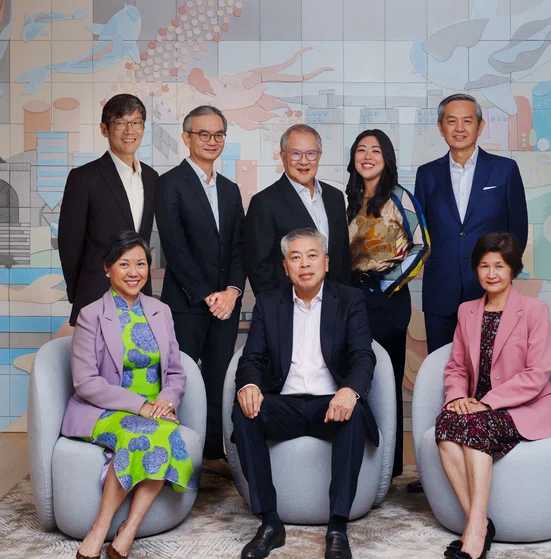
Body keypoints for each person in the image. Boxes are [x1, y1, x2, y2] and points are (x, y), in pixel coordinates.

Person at [231, 228, 378, 559]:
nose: (305, 264)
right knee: (244, 412)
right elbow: (251, 358)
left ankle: (338, 528)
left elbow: (362, 356)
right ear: (286, 267)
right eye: (295, 257)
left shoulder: (350, 300)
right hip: (287, 402)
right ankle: (270, 522)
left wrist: (349, 390)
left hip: (332, 402)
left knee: (354, 413)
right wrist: (248, 386)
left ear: (326, 263)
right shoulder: (269, 303)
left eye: (312, 256)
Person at [407, 93, 529, 494]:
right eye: (450, 121)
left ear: (479, 126)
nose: (459, 127)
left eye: (467, 121)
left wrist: (497, 275)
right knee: (450, 374)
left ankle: (493, 457)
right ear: (441, 127)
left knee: (493, 374)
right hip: (441, 290)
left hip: (489, 292)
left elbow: (517, 232)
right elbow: (420, 236)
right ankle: (446, 465)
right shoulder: (426, 174)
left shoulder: (505, 170)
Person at [61, 231, 197, 559]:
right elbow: (85, 381)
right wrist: (141, 407)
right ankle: (100, 526)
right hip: (105, 409)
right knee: (145, 432)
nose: (134, 272)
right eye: (124, 264)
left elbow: (176, 373)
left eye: (141, 264)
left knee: (162, 431)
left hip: (156, 408)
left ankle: (128, 529)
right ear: (108, 268)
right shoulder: (91, 315)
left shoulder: (161, 311)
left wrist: (165, 402)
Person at [436, 232, 551, 559]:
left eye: (499, 266)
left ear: (512, 270)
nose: (491, 273)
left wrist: (488, 402)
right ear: (476, 270)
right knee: (446, 424)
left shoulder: (534, 310)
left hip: (523, 407)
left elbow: (538, 373)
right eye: (484, 266)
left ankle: (475, 534)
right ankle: (479, 523)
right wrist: (457, 398)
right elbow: (456, 366)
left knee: (474, 427)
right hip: (477, 405)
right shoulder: (467, 311)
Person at [156, 105, 245, 462]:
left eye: (218, 134)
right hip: (186, 302)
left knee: (219, 379)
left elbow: (240, 246)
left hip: (226, 304)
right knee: (183, 380)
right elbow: (174, 248)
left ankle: (211, 455)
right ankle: (180, 453)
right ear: (186, 138)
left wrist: (233, 291)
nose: (212, 141)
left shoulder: (230, 188)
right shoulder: (169, 183)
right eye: (203, 134)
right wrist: (208, 295)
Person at [346, 129, 431, 480]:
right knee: (353, 375)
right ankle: (360, 461)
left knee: (386, 379)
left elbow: (421, 245)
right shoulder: (345, 199)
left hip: (387, 298)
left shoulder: (400, 196)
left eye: (375, 150)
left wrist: (385, 285)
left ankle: (390, 468)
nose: (367, 156)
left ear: (387, 158)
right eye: (361, 150)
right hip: (350, 298)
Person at [59, 94, 159, 326]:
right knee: (96, 362)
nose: (129, 130)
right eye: (120, 123)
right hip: (96, 293)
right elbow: (69, 244)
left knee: (139, 360)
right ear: (105, 129)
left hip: (140, 296)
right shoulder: (84, 178)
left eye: (136, 122)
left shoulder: (152, 178)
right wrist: (81, 293)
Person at [244, 124, 350, 295]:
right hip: (287, 307)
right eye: (295, 154)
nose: (303, 161)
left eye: (310, 154)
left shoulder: (335, 197)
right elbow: (258, 266)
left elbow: (343, 257)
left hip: (335, 304)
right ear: (282, 156)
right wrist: (274, 309)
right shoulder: (264, 202)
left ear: (319, 156)